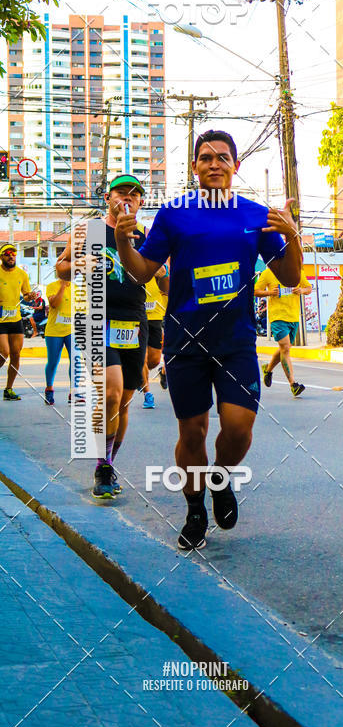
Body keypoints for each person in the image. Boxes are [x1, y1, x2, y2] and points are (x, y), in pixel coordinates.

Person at [113, 129, 302, 551]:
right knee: (193, 432)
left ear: (236, 165)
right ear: (194, 167)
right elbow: (141, 272)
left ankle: (220, 479)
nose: (214, 163)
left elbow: (291, 277)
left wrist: (292, 236)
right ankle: (195, 506)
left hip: (236, 342)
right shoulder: (174, 214)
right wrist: (125, 240)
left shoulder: (256, 215)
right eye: (205, 157)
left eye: (222, 157)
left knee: (238, 429)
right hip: (186, 343)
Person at [57, 174, 149, 500]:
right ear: (108, 197)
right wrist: (80, 262)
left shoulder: (145, 234)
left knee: (123, 402)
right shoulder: (90, 230)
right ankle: (102, 468)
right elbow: (60, 267)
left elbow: (157, 275)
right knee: (109, 394)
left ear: (141, 202)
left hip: (134, 321)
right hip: (96, 317)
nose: (128, 198)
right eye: (121, 192)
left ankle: (108, 462)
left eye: (135, 194)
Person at [254, 265, 311, 396]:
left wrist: (301, 290)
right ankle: (293, 384)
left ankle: (268, 369)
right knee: (285, 348)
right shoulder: (268, 273)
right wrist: (270, 293)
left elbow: (308, 288)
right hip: (277, 317)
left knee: (283, 349)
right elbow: (256, 291)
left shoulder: (296, 272)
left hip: (293, 317)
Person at [0, 243, 35, 400]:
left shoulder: (22, 274)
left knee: (15, 354)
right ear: (2, 257)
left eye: (13, 254)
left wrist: (30, 296)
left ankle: (8, 389)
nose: (11, 256)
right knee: (4, 352)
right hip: (0, 319)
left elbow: (26, 294)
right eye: (7, 254)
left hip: (15, 319)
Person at [140, 270, 169, 409]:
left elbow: (167, 284)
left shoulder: (160, 263)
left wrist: (162, 274)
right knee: (142, 358)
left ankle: (140, 375)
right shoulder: (136, 260)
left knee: (154, 360)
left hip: (156, 315)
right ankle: (147, 393)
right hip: (138, 314)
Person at [44, 278, 72, 405]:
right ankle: (49, 389)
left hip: (72, 330)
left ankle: (74, 391)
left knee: (76, 360)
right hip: (54, 331)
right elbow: (54, 304)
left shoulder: (78, 288)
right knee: (53, 361)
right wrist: (63, 286)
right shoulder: (51, 285)